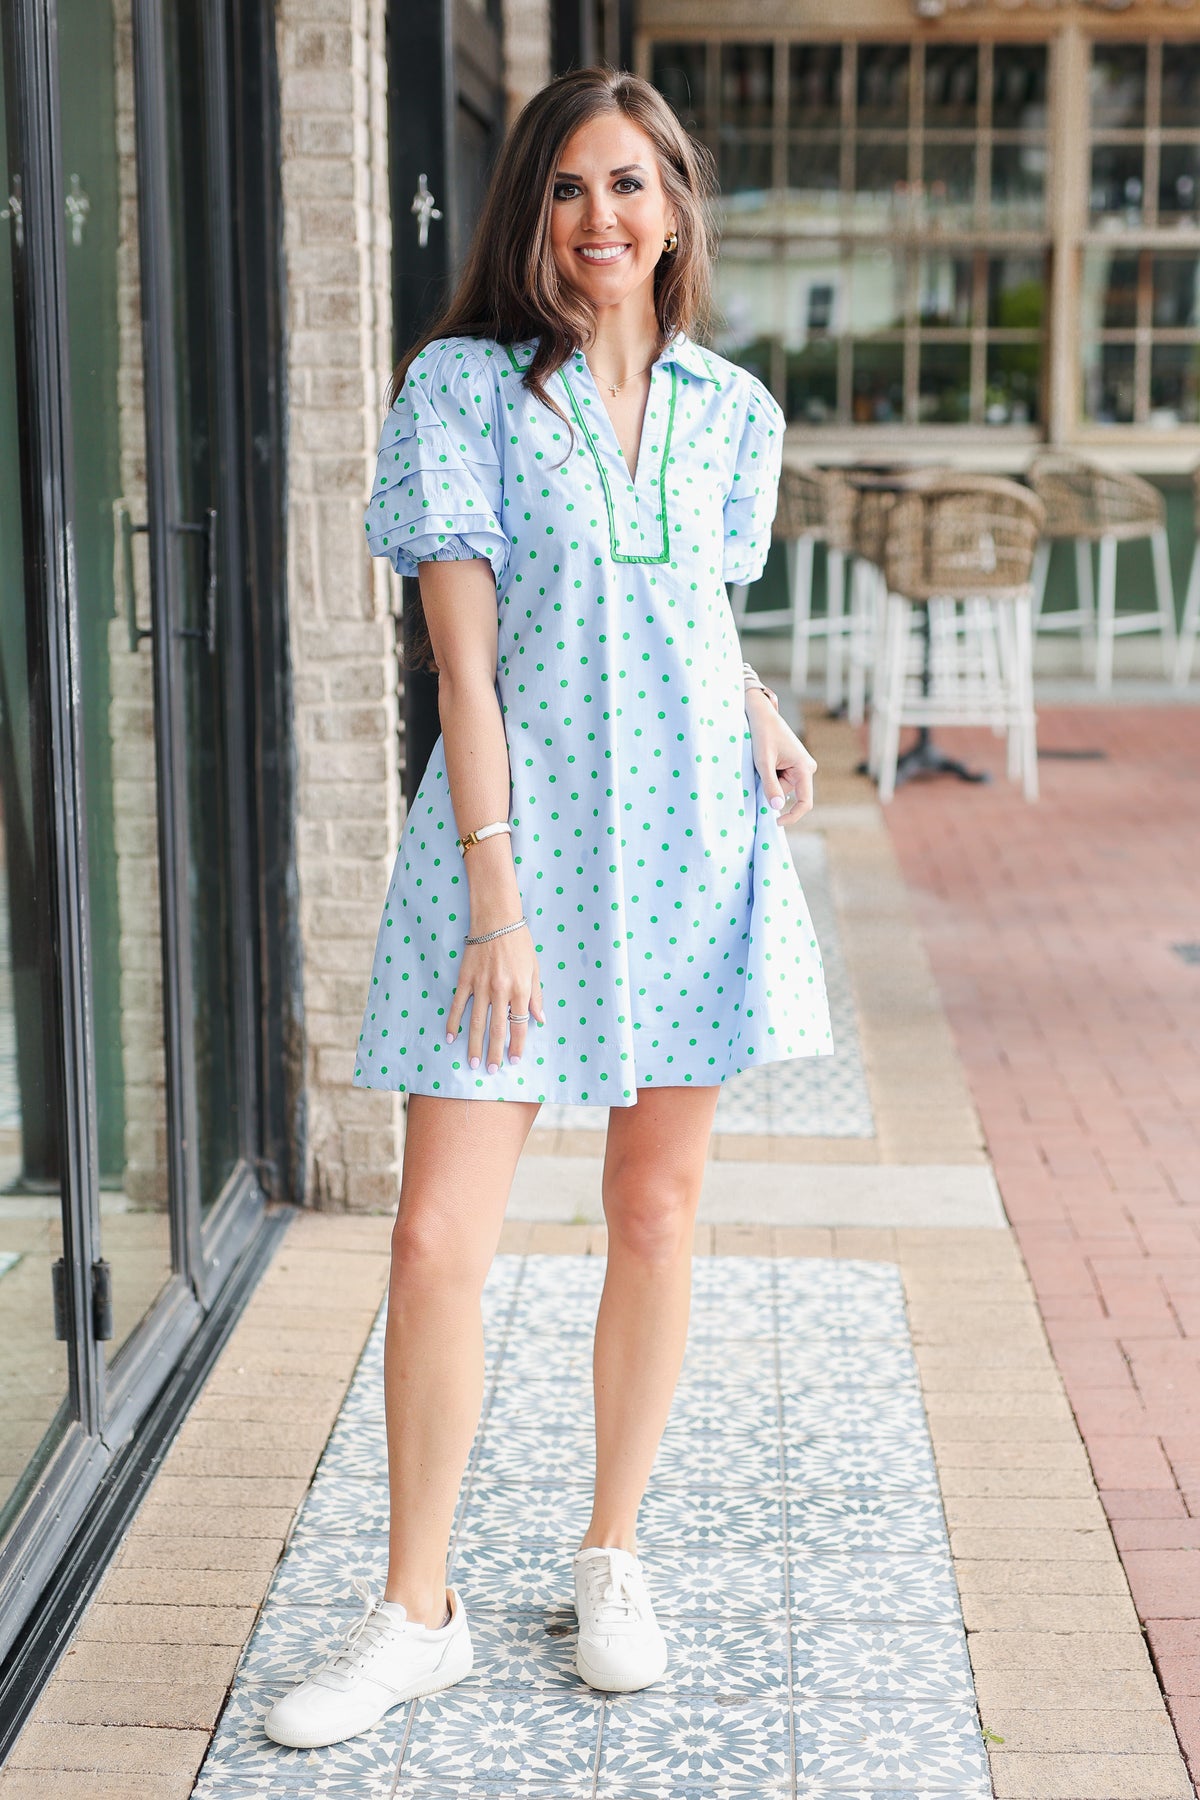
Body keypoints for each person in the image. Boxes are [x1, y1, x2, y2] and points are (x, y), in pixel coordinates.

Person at [265, 63, 831, 1752]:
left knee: (656, 1217)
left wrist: (761, 716)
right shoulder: (461, 393)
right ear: (534, 210)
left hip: (688, 852)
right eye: (571, 188)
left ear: (676, 211)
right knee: (440, 1238)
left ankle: (612, 1552)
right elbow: (466, 666)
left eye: (632, 187)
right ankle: (412, 1613)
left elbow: (682, 620)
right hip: (506, 866)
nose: (602, 219)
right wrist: (494, 901)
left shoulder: (732, 413)